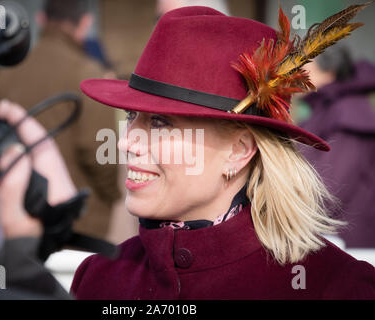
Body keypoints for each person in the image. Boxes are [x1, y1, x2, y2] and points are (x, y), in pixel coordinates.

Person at [65, 6, 375, 299]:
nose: (124, 143)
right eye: (132, 116)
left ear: (238, 151)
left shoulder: (334, 287)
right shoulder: (99, 279)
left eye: (160, 123)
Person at [0, 0, 121, 239]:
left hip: (17, 222)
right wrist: (113, 195)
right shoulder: (89, 74)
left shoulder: (6, 72)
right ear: (85, 24)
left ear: (41, 19)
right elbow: (102, 156)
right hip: (77, 225)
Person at [298, 48, 375, 248]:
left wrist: (290, 217)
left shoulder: (350, 111)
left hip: (347, 245)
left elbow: (333, 186)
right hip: (326, 235)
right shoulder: (325, 108)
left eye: (306, 65)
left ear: (329, 71)